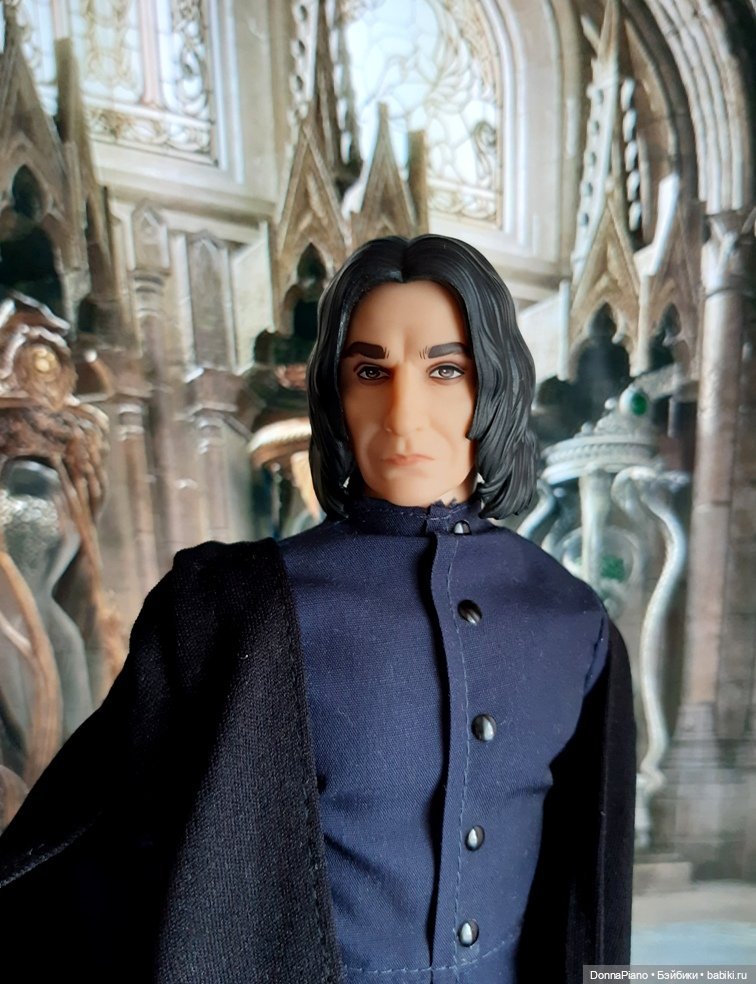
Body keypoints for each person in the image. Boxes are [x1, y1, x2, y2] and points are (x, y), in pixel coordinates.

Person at [0, 235, 635, 983]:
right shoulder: (230, 610)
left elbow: (588, 891)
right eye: (371, 371)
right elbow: (91, 847)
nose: (403, 414)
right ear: (337, 395)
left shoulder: (573, 622)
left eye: (445, 369)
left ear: (493, 383)